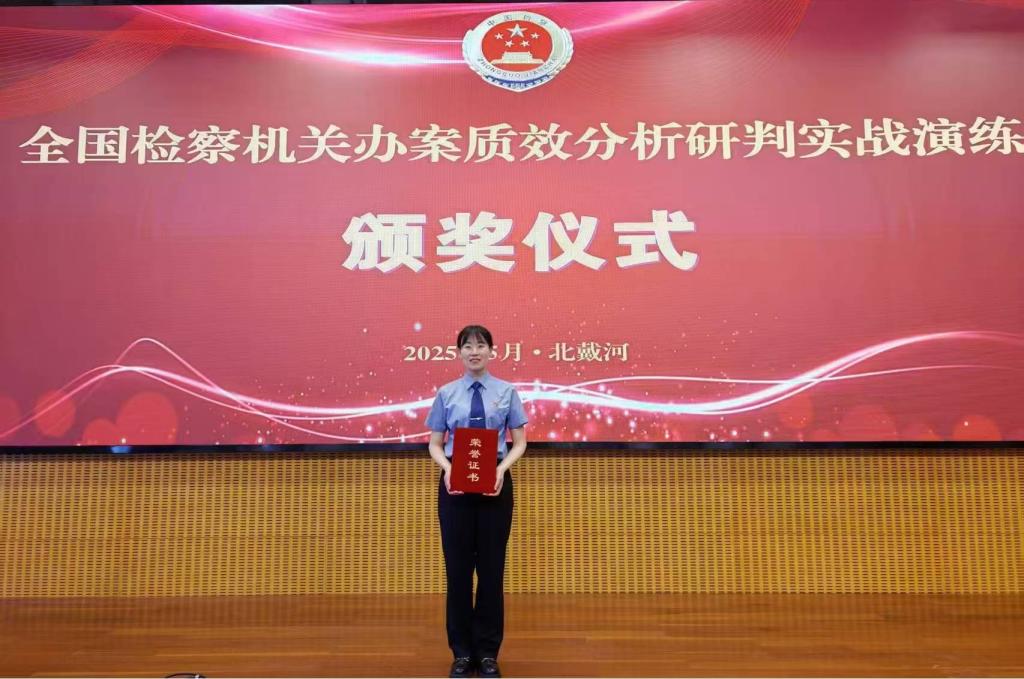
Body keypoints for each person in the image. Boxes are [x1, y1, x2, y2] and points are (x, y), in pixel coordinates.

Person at [425, 324, 529, 678]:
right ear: (458, 353)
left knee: (491, 571)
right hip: (455, 486)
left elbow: (519, 442)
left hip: (495, 486)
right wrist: (447, 469)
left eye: (480, 345)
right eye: (467, 346)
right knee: (457, 572)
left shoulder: (507, 392)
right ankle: (461, 653)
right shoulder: (446, 394)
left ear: (492, 351)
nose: (474, 351)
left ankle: (487, 653)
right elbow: (435, 444)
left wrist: (501, 469)